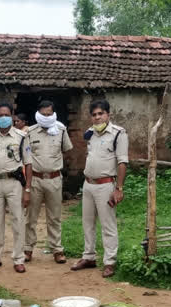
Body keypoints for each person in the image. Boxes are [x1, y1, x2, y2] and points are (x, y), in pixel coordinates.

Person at [70, 99, 129, 278]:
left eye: (100, 113)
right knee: (87, 223)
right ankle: (89, 257)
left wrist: (118, 188)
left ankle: (110, 261)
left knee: (107, 225)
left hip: (105, 185)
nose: (97, 117)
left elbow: (122, 162)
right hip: (88, 184)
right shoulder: (90, 134)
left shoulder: (118, 134)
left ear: (108, 114)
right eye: (94, 115)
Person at [0, 101, 32, 274]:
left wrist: (28, 190)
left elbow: (29, 164)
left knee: (17, 220)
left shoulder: (21, 136)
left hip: (14, 183)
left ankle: (18, 259)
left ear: (12, 116)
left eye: (6, 115)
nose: (3, 118)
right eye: (0, 115)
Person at [23, 99, 73, 265]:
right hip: (35, 179)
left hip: (54, 179)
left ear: (53, 113)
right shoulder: (30, 132)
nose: (46, 117)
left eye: (49, 114)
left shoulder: (60, 129)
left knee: (54, 216)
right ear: (38, 114)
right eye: (43, 114)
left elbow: (66, 150)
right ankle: (28, 249)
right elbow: (25, 157)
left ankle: (57, 250)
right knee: (31, 217)